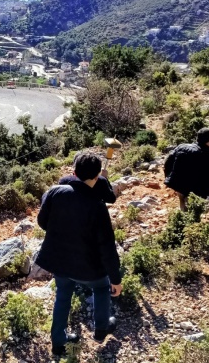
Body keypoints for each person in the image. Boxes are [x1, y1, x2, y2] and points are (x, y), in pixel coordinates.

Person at [36, 152, 122, 358]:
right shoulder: (98, 207)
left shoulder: (55, 192)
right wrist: (116, 279)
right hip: (88, 268)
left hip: (60, 262)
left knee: (62, 297)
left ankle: (59, 343)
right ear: (98, 176)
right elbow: (107, 247)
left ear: (73, 172)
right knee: (101, 288)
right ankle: (101, 328)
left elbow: (42, 222)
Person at [163, 127, 209, 211]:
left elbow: (168, 162)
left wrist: (168, 178)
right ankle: (191, 219)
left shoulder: (181, 147)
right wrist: (207, 193)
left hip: (178, 183)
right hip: (195, 188)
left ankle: (182, 215)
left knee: (182, 198)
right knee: (194, 207)